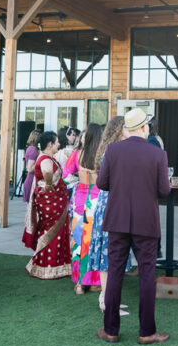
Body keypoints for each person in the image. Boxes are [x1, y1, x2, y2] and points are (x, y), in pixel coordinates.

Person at [95, 108, 171, 345]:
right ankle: (147, 332)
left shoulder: (113, 149)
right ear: (145, 127)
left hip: (117, 219)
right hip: (145, 221)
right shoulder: (157, 154)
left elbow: (101, 183)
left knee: (115, 271)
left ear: (127, 129)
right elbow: (164, 191)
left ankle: (111, 330)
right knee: (147, 274)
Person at [87, 116, 127, 313]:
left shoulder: (109, 150)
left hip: (109, 203)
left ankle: (110, 297)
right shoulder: (112, 152)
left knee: (112, 254)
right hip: (110, 205)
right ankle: (106, 299)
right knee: (108, 255)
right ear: (119, 130)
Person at [22, 131, 71, 279]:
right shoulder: (44, 159)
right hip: (50, 202)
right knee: (51, 231)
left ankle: (58, 266)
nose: (59, 144)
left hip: (55, 201)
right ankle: (45, 267)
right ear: (50, 144)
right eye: (56, 142)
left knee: (58, 232)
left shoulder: (49, 157)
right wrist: (49, 184)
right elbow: (47, 172)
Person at [71, 123, 103, 293]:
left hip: (80, 199)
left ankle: (79, 283)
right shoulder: (102, 156)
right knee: (93, 241)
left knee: (78, 240)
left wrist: (77, 180)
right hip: (97, 200)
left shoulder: (77, 154)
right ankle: (95, 281)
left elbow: (66, 174)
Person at [21, 129, 42, 202]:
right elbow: (29, 169)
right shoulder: (33, 150)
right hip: (31, 179)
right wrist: (41, 160)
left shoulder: (30, 148)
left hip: (31, 179)